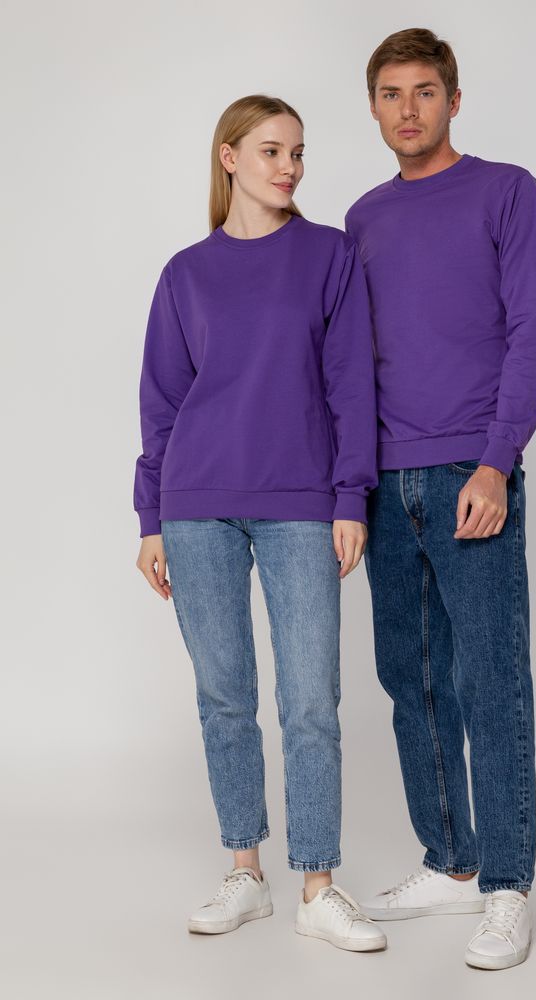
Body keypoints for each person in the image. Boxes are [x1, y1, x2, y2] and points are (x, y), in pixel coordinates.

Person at [133, 94, 386, 953]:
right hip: (195, 503)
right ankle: (245, 870)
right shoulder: (185, 273)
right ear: (230, 157)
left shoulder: (328, 255)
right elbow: (162, 403)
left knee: (311, 700)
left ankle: (317, 883)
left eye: (299, 152)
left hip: (299, 502)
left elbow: (351, 383)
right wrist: (150, 516)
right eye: (272, 150)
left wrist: (350, 497)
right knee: (224, 698)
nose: (290, 167)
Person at [344, 29, 536, 970]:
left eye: (424, 92)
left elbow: (529, 330)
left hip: (471, 471)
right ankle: (450, 860)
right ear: (373, 107)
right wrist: (349, 486)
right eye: (390, 94)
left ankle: (506, 885)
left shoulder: (506, 192)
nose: (407, 109)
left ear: (453, 100)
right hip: (383, 484)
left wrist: (495, 462)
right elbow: (347, 363)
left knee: (490, 679)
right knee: (411, 679)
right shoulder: (360, 218)